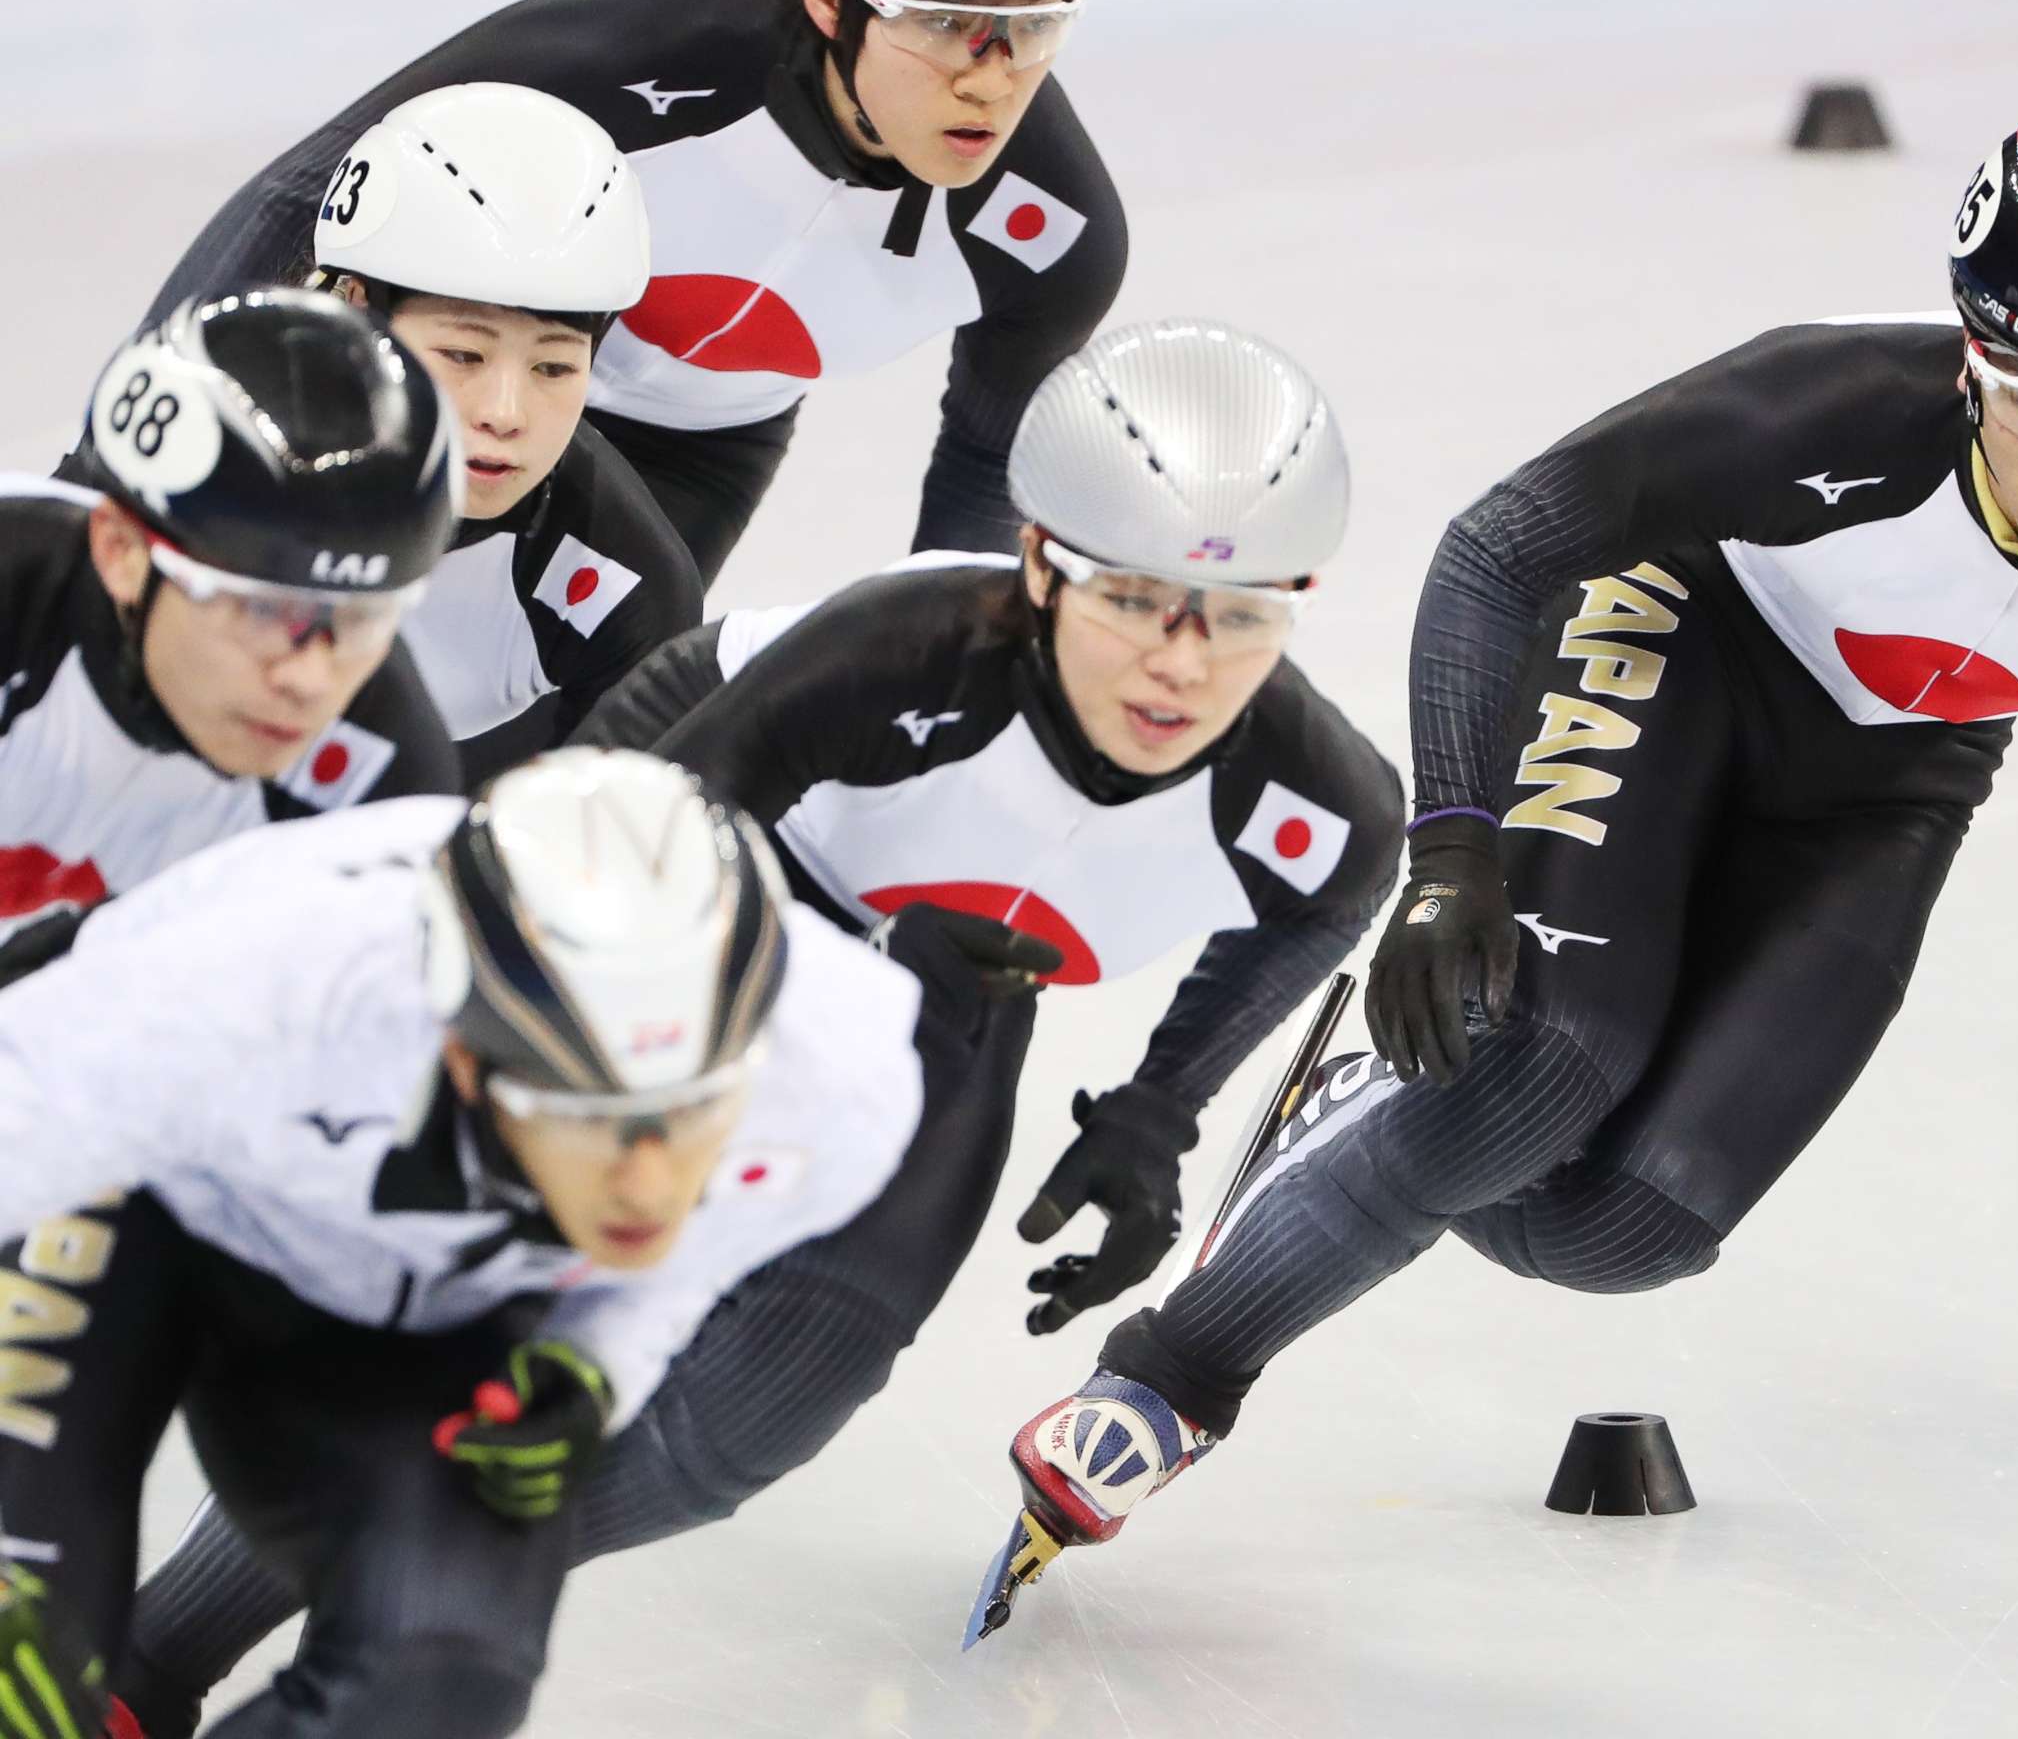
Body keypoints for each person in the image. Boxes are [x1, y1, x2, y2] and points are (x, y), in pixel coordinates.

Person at [969, 101, 2018, 1638]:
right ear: (1964, 357)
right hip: (1678, 645)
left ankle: (1387, 1100)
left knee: (1619, 1232)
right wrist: (1455, 853)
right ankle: (1169, 1380)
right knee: (1546, 1064)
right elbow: (1497, 550)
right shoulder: (1815, 410)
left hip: (1894, 779)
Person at [111, 318, 1403, 1734]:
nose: (1181, 663)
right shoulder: (907, 649)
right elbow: (646, 843)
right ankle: (150, 1666)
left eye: (1239, 616)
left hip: (943, 982)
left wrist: (1161, 1111)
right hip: (680, 849)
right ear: (1040, 566)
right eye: (1135, 602)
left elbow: (1321, 912)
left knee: (753, 1419)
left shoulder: (1326, 799)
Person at [0, 748, 942, 1739]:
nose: (651, 1179)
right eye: (591, 1115)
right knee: (36, 1647)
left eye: (701, 1107)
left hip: (406, 1295)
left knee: (440, 1676)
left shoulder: (842, 1085)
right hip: (149, 1201)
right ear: (465, 1054)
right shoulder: (262, 984)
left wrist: (593, 1367)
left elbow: (687, 1256)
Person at [145, 0, 1126, 584]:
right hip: (476, 380)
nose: (991, 78)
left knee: (573, 743)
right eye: (946, 22)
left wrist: (942, 684)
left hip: (702, 453)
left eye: (1037, 27)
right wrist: (139, 444)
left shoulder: (1061, 232)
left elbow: (982, 472)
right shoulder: (668, 38)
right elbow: (301, 200)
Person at [0, 287, 459, 945]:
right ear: (121, 551)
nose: (310, 681)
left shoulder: (386, 779)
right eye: (265, 609)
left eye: (364, 618)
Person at [308, 81, 704, 780]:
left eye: (553, 368)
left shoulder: (631, 582)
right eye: (463, 355)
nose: (506, 413)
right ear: (355, 315)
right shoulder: (204, 435)